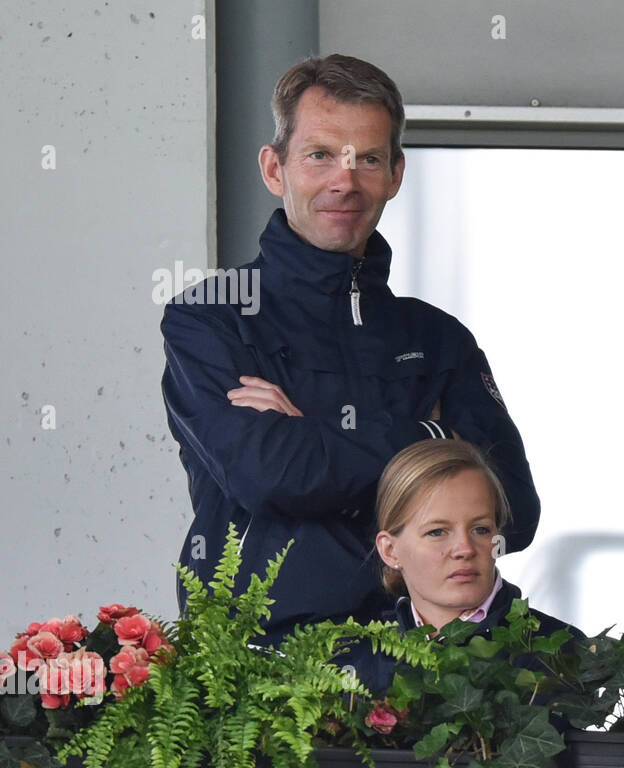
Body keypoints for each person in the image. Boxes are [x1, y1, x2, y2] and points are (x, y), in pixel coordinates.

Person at [161, 55, 540, 639]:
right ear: (274, 169)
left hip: (426, 668)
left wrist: (311, 434)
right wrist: (431, 438)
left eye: (367, 159)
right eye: (320, 155)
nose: (346, 181)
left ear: (395, 174)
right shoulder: (210, 322)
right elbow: (270, 475)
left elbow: (513, 503)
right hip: (259, 672)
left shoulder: (439, 340)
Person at [345, 438, 578, 693]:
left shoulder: (563, 651)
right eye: (437, 532)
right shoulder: (352, 659)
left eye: (481, 529)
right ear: (390, 551)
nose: (465, 549)